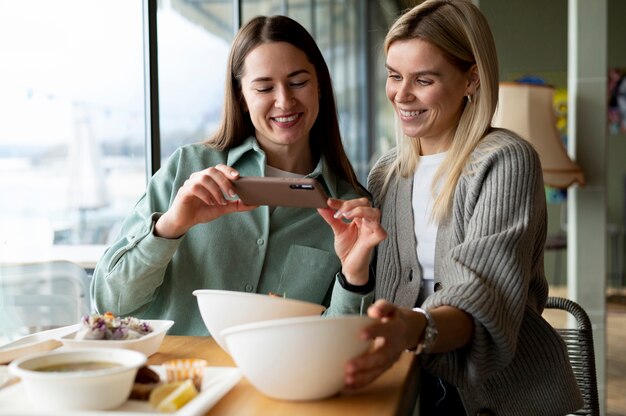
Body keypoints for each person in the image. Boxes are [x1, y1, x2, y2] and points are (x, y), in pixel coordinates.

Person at [322, 1, 584, 415]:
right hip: (404, 385)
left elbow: (482, 292)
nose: (402, 95)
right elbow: (376, 300)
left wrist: (415, 326)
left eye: (423, 80)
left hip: (499, 397)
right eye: (394, 76)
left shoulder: (505, 160)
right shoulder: (385, 173)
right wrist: (355, 267)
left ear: (471, 79)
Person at [91, 15, 377, 336]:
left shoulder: (351, 209)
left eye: (298, 82)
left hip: (279, 384)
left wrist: (354, 278)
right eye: (264, 87)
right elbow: (109, 303)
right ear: (241, 97)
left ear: (320, 86)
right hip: (182, 382)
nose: (284, 100)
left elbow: (338, 342)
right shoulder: (188, 168)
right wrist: (171, 226)